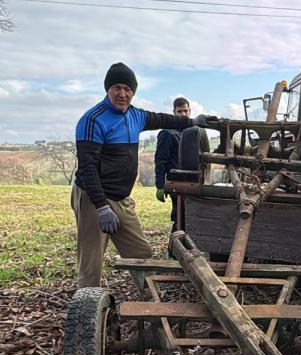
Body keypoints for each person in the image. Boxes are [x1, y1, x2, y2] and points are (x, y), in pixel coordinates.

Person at [72, 63, 212, 288]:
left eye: (128, 89)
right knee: (91, 260)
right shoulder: (93, 120)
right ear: (108, 89)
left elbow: (164, 119)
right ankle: (87, 301)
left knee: (141, 253)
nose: (122, 94)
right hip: (93, 196)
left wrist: (192, 122)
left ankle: (150, 298)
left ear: (133, 92)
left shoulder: (136, 115)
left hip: (121, 198)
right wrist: (101, 207)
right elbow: (88, 169)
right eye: (117, 88)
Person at [154, 96, 191, 228]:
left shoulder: (193, 132)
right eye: (179, 111)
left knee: (192, 216)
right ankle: (175, 240)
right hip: (176, 182)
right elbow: (160, 160)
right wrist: (160, 185)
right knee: (180, 218)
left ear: (190, 111)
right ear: (174, 112)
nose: (183, 114)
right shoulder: (167, 133)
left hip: (193, 180)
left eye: (185, 111)